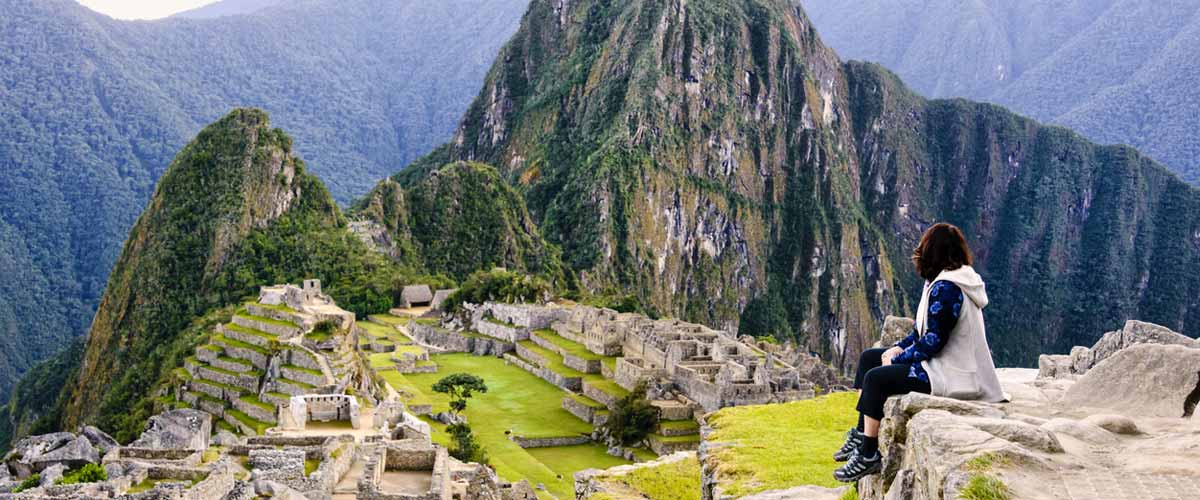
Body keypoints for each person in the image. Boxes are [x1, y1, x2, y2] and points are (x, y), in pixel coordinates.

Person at [833, 223, 1007, 483]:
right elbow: (920, 333)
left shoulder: (948, 288)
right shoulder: (940, 282)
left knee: (875, 379)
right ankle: (861, 436)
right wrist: (897, 348)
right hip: (939, 363)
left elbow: (933, 342)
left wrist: (897, 358)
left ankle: (868, 453)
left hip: (951, 372)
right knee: (869, 358)